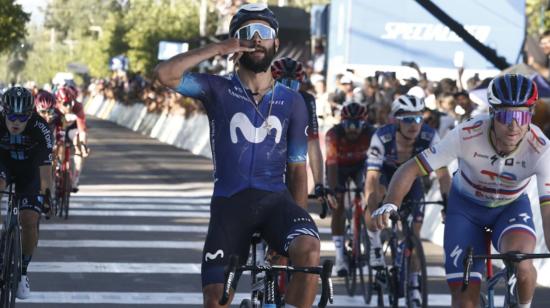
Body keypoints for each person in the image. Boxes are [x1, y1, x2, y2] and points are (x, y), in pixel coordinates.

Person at [154, 4, 320, 307]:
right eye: (246, 33)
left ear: (277, 44)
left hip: (276, 203)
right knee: (215, 299)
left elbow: (297, 170)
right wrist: (218, 48)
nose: (256, 39)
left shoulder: (293, 101)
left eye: (264, 33)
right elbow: (165, 74)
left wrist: (291, 234)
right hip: (231, 205)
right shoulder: (216, 88)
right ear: (235, 43)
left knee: (309, 249)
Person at [372, 74, 550, 308]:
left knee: (523, 264)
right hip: (465, 210)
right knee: (465, 301)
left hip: (510, 208)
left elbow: (547, 211)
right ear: (492, 113)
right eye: (506, 115)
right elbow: (411, 168)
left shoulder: (541, 148)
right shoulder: (467, 134)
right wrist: (391, 202)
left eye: (522, 115)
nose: (514, 126)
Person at [365, 94, 451, 302]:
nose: (415, 125)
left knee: (413, 234)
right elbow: (372, 180)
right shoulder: (382, 137)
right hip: (385, 176)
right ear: (396, 120)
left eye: (419, 118)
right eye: (408, 119)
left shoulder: (430, 137)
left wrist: (448, 203)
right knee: (374, 199)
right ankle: (375, 245)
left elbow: (443, 174)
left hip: (413, 182)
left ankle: (413, 283)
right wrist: (374, 207)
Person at [0, 87, 53, 299]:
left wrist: (47, 195)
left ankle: (22, 272)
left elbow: (45, 167)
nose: (16, 121)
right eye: (11, 115)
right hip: (3, 165)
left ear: (30, 114)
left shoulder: (41, 127)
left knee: (29, 219)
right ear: (4, 111)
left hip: (30, 171)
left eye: (22, 116)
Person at [325, 101, 375, 275]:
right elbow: (331, 165)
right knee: (337, 206)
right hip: (338, 167)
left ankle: (362, 226)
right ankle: (340, 258)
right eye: (348, 124)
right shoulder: (333, 135)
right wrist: (333, 190)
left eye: (357, 125)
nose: (352, 129)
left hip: (361, 166)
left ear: (365, 123)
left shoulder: (371, 133)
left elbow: (376, 167)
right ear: (342, 123)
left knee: (370, 194)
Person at [270, 57, 327, 204]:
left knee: (299, 213)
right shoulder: (262, 96)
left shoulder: (307, 100)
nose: (287, 88)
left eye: (293, 84)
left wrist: (319, 183)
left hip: (294, 155)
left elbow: (313, 144)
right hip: (268, 155)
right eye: (282, 83)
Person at [55, 85, 89, 192]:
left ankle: (75, 178)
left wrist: (82, 145)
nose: (69, 107)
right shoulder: (54, 108)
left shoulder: (78, 107)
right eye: (66, 104)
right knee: (55, 146)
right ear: (59, 102)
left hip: (72, 130)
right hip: (58, 128)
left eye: (71, 103)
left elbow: (82, 129)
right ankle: (56, 168)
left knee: (79, 142)